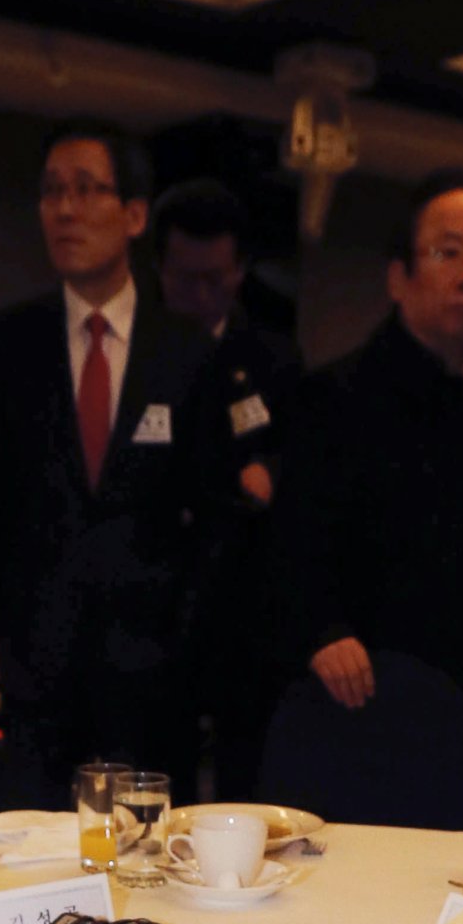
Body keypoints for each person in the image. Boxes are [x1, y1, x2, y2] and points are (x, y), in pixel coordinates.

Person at [0, 121, 221, 804]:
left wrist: (186, 635)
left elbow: (216, 513)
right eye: (50, 193)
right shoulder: (6, 341)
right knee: (38, 842)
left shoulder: (187, 349)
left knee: (152, 848)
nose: (64, 210)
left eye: (85, 190)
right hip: (36, 644)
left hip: (152, 657)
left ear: (133, 214)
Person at [268, 168, 463, 766]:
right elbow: (289, 546)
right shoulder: (335, 394)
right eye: (448, 253)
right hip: (363, 709)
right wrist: (323, 632)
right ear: (398, 276)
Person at [152, 177, 301, 798]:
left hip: (245, 597)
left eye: (218, 278)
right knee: (162, 766)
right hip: (159, 596)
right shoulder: (144, 355)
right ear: (160, 270)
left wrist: (275, 470)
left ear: (241, 271)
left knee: (247, 766)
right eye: (187, 278)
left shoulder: (270, 356)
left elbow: (305, 451)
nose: (202, 294)